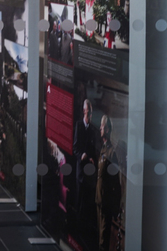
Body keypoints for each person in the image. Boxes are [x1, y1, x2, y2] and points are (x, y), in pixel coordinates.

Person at [96, 114, 121, 251]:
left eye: (102, 126)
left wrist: (116, 208)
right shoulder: (103, 149)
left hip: (106, 203)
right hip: (99, 200)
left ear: (107, 130)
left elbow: (116, 184)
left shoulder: (112, 154)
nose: (100, 128)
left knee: (103, 241)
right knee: (99, 236)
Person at [73, 99, 97, 243]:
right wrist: (82, 155)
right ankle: (78, 233)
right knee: (79, 204)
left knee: (87, 205)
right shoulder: (79, 126)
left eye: (92, 111)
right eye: (89, 110)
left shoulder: (92, 130)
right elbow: (75, 148)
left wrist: (92, 158)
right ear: (84, 111)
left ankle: (85, 234)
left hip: (90, 174)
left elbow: (93, 150)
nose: (90, 113)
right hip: (81, 173)